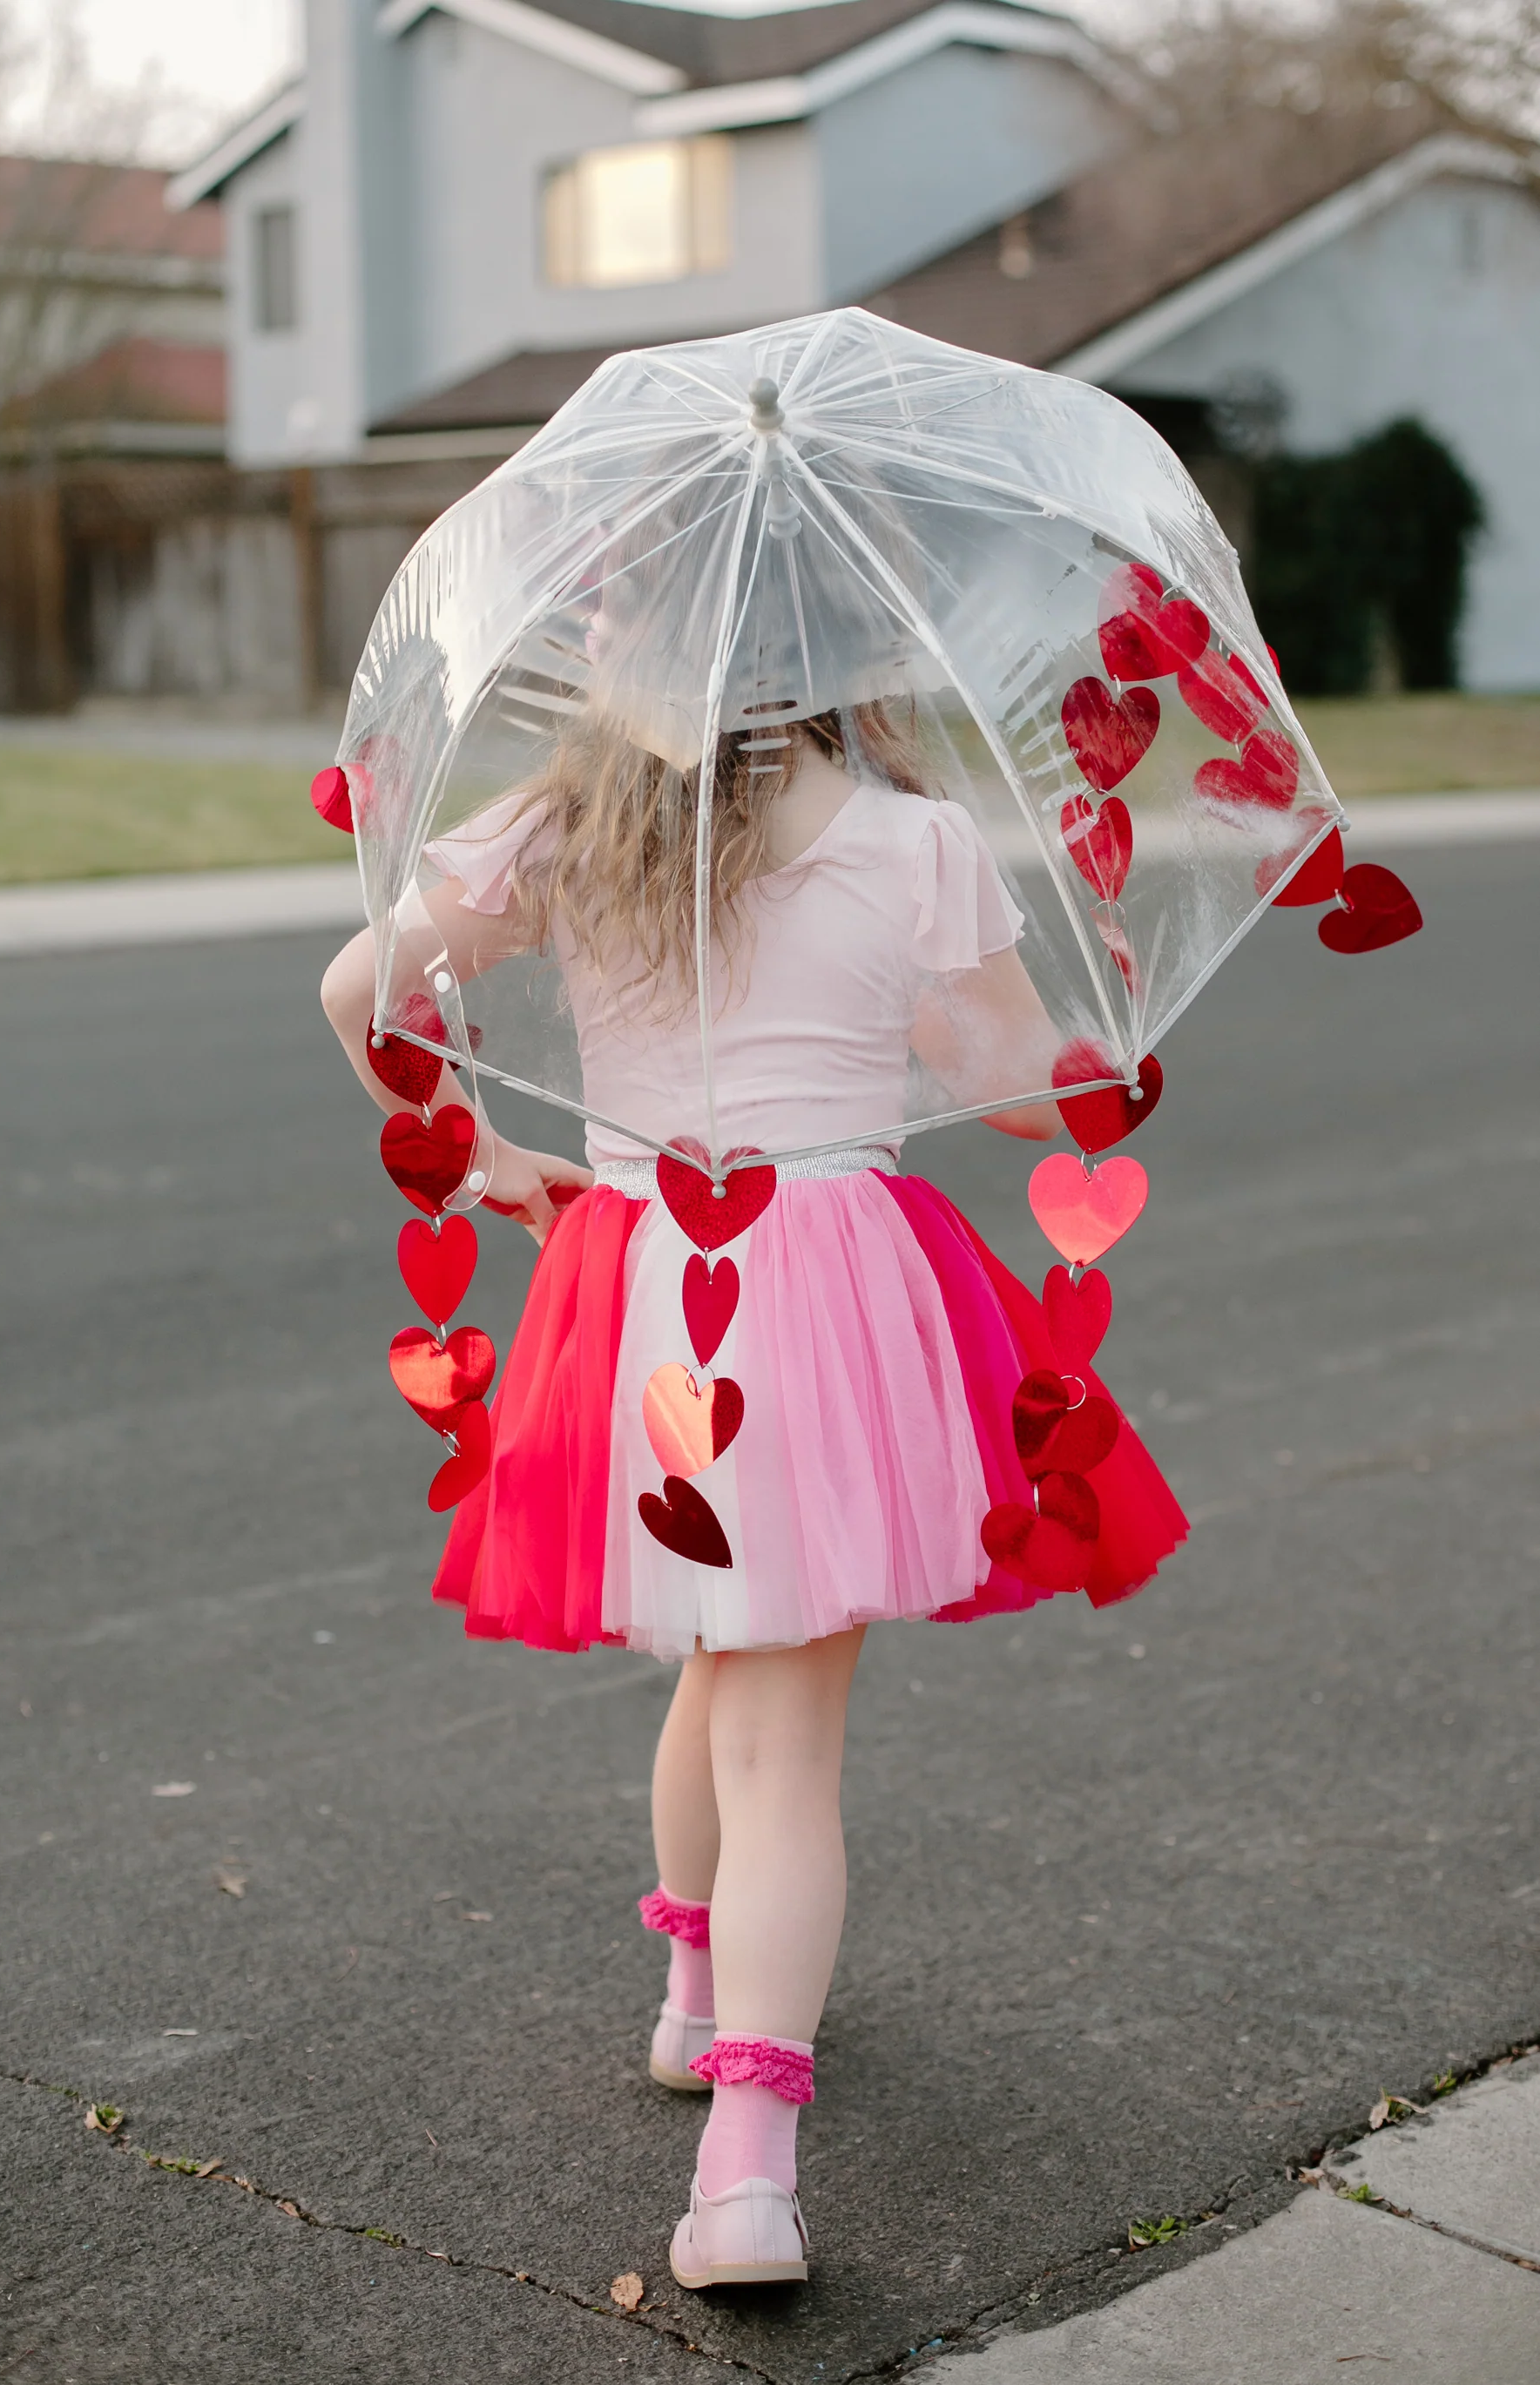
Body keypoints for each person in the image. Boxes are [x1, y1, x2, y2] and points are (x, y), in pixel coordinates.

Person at [321, 699, 1187, 2289]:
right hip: (833, 1298)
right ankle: (745, 2178)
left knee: (725, 1657)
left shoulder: (568, 825)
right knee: (785, 1734)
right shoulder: (909, 839)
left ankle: (694, 2004)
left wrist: (481, 1160)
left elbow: (359, 989)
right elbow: (1010, 1085)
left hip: (647, 1287)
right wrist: (1112, 1055)